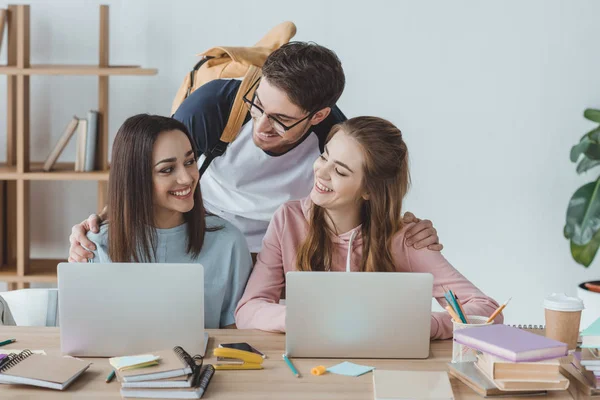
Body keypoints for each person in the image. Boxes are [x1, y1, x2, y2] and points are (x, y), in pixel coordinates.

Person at [68, 42, 442, 262]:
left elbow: (366, 190)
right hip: (208, 236)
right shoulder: (212, 105)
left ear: (319, 116)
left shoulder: (335, 135)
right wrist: (99, 223)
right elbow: (152, 168)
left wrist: (407, 229)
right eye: (258, 105)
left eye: (280, 119)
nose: (261, 126)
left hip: (283, 248)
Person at [235, 116, 502, 339]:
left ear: (368, 191)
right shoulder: (288, 220)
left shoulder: (405, 238)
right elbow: (248, 310)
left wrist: (419, 324)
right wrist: (304, 317)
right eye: (324, 156)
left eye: (340, 172)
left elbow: (488, 312)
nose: (321, 172)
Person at [85, 114, 252, 329]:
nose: (187, 178)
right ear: (135, 178)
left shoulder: (229, 242)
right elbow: (86, 337)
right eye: (167, 169)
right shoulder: (95, 245)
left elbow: (237, 339)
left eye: (190, 162)